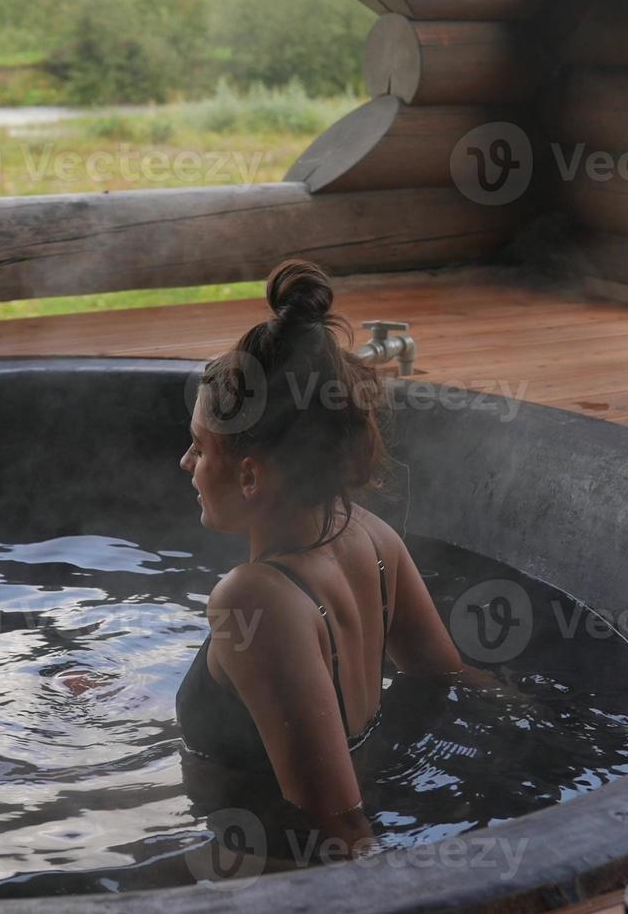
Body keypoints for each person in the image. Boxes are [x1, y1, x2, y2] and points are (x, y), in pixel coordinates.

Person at [174, 259, 491, 860]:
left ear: (249, 475)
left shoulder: (253, 598)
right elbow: (452, 677)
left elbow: (341, 826)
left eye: (198, 446)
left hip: (266, 866)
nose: (185, 464)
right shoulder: (369, 537)